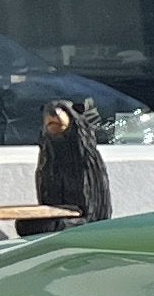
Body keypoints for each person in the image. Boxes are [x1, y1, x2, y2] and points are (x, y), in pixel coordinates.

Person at [17, 98, 111, 237]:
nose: (52, 115)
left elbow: (94, 204)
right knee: (25, 225)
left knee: (55, 227)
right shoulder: (48, 156)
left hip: (85, 220)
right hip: (59, 214)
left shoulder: (86, 157)